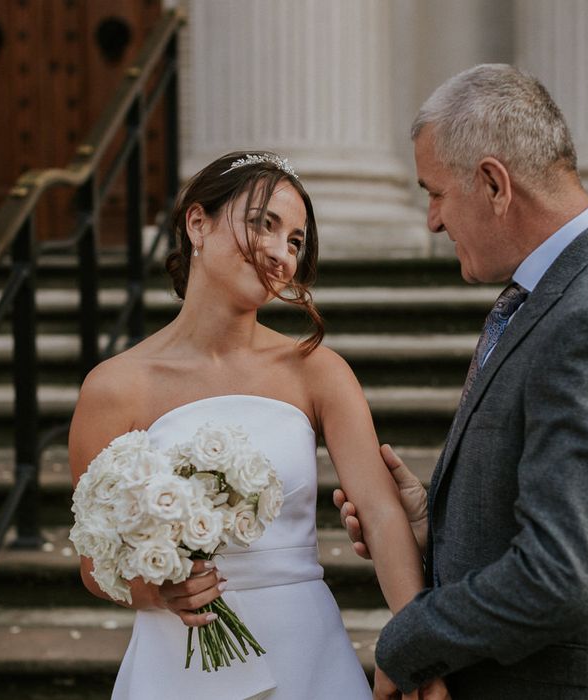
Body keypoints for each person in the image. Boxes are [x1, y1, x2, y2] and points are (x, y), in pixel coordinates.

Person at [334, 64, 588, 699]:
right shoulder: (579, 289)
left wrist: (409, 642)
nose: (431, 221)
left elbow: (565, 578)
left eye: (434, 193)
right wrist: (436, 530)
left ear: (492, 184)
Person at [68, 151, 446, 699]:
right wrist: (158, 589)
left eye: (294, 241)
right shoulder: (116, 386)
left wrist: (420, 647)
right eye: (262, 224)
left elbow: (384, 515)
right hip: (178, 664)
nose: (280, 254)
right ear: (197, 223)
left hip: (305, 652)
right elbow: (94, 563)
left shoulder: (318, 370)